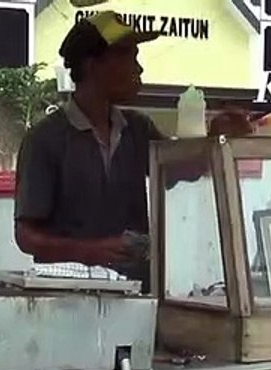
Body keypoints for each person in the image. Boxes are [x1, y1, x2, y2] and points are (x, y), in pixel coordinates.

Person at [13, 11, 163, 286]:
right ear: (92, 65)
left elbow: (182, 172)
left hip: (136, 292)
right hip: (69, 296)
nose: (138, 69)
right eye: (129, 57)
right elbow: (26, 236)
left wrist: (216, 136)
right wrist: (89, 252)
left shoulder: (139, 129)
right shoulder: (45, 139)